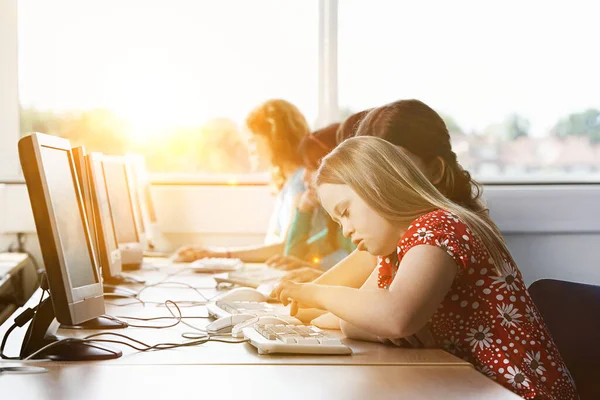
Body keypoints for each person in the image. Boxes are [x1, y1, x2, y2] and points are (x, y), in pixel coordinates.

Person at [273, 135, 578, 399]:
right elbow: (360, 319)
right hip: (471, 387)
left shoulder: (438, 229)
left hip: (518, 392)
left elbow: (394, 316)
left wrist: (314, 293)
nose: (346, 230)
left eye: (346, 212)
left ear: (377, 186)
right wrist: (374, 327)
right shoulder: (394, 253)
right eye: (338, 221)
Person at [175, 99, 309, 262]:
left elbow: (285, 248)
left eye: (253, 141)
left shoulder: (300, 182)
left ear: (273, 139)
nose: (249, 149)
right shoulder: (289, 183)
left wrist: (217, 255)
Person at [266, 123, 356, 277]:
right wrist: (304, 210)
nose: (304, 177)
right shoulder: (336, 229)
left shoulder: (357, 225)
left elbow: (363, 278)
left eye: (311, 167)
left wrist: (317, 273)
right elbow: (293, 256)